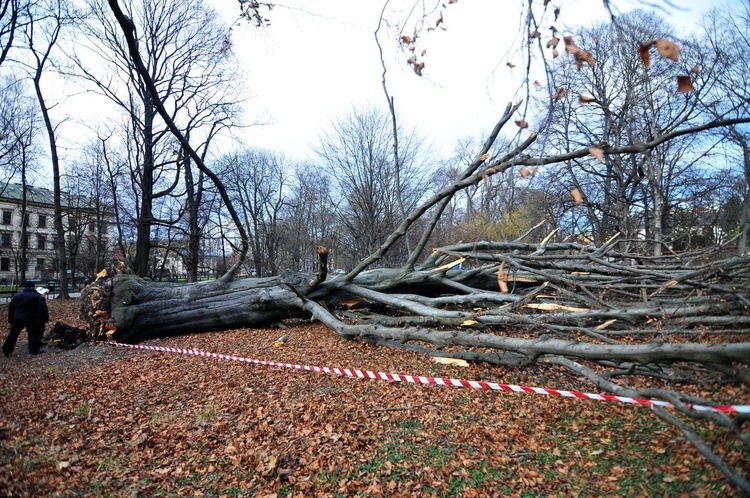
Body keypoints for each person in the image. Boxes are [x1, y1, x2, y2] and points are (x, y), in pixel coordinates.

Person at [2, 281, 49, 357]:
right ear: (33, 287)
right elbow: (42, 308)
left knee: (13, 334)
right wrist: (45, 318)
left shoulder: (17, 296)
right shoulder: (36, 296)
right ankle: (33, 351)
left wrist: (11, 319)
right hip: (31, 318)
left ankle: (6, 350)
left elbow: (11, 308)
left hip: (18, 318)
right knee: (33, 334)